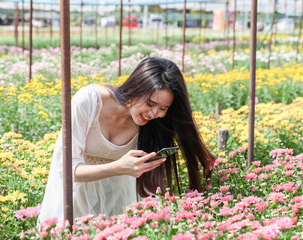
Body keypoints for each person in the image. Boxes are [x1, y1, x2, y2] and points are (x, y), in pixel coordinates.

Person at [37, 57, 215, 227]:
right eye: (150, 104)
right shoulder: (89, 101)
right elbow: (67, 171)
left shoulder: (153, 124)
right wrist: (119, 166)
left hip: (119, 199)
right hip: (72, 197)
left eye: (163, 109)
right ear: (137, 88)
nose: (154, 114)